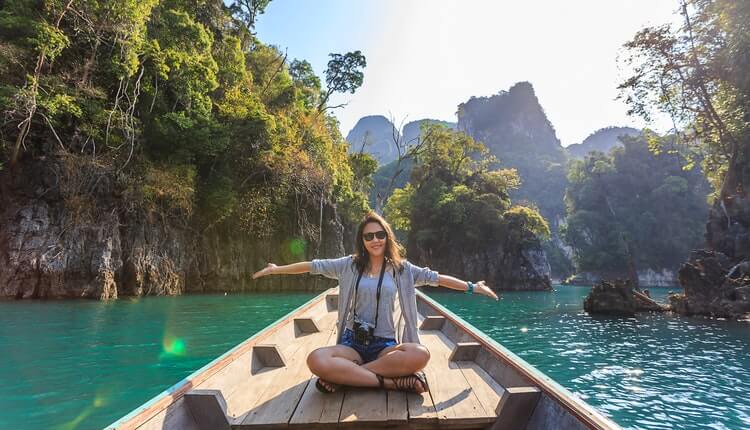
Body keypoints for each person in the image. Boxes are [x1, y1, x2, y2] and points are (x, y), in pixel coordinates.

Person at [252, 211, 498, 394]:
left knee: (420, 354)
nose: (375, 240)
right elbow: (312, 266)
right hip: (353, 343)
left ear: (387, 237)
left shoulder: (402, 270)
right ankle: (389, 382)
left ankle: (347, 377)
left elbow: (437, 278)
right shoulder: (348, 265)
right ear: (362, 240)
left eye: (380, 234)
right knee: (316, 359)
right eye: (368, 236)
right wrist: (276, 269)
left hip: (384, 345)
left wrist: (472, 287)